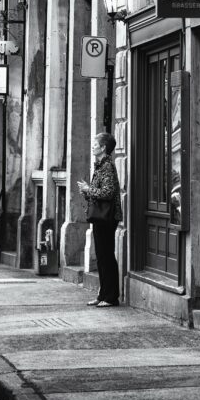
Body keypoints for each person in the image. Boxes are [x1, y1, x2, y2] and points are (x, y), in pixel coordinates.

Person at [77, 132, 122, 308]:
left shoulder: (107, 166)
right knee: (102, 257)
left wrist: (89, 190)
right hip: (100, 217)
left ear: (103, 148)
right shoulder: (100, 165)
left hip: (107, 218)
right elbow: (100, 193)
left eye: (95, 143)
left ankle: (111, 297)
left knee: (107, 256)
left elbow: (108, 193)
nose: (93, 146)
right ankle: (102, 294)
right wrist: (87, 192)